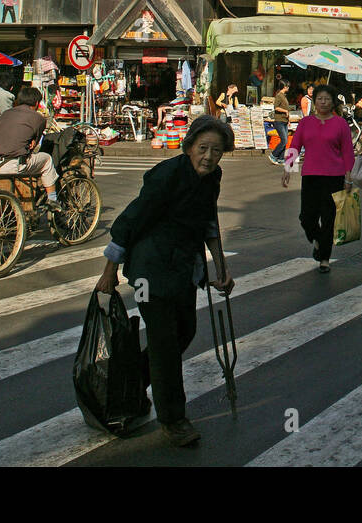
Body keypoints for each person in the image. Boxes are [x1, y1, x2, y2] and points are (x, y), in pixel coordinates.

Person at [96, 116, 235, 447]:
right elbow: (131, 219)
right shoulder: (167, 176)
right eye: (203, 149)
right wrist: (109, 271)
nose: (209, 156)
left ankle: (128, 387)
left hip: (183, 266)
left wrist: (220, 266)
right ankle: (173, 419)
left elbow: (208, 221)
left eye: (216, 151)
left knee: (183, 332)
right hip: (151, 268)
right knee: (164, 343)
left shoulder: (212, 177)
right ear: (189, 147)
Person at [281, 84, 354, 273]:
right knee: (307, 217)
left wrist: (348, 177)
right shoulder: (306, 123)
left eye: (327, 99)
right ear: (315, 102)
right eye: (320, 99)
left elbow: (347, 152)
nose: (323, 102)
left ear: (332, 103)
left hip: (334, 176)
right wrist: (288, 169)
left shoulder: (340, 124)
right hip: (311, 175)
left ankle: (324, 258)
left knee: (328, 218)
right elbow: (295, 144)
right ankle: (318, 241)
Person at [0, 86, 58, 202]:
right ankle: (53, 199)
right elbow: (33, 146)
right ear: (36, 103)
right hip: (11, 164)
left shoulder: (5, 114)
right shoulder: (38, 118)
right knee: (47, 159)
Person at [268, 78, 292, 165]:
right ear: (285, 87)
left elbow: (286, 108)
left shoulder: (284, 96)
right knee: (284, 140)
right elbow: (276, 107)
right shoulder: (279, 95)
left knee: (285, 141)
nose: (288, 88)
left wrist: (288, 119)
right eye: (288, 86)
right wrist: (285, 111)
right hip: (279, 121)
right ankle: (273, 155)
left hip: (285, 120)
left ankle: (281, 158)